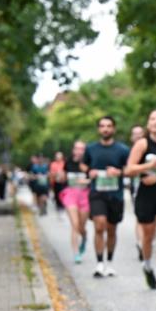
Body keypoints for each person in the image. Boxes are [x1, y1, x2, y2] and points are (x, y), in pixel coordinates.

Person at [125, 110, 156, 290]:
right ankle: (147, 266)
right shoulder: (141, 144)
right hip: (145, 193)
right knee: (148, 235)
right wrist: (150, 165)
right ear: (148, 124)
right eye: (152, 119)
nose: (155, 122)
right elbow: (129, 170)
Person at [81, 116, 131, 278]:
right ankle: (99, 263)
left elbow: (129, 169)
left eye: (109, 126)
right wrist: (90, 172)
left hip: (115, 195)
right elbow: (83, 165)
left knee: (111, 229)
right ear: (98, 129)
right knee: (99, 226)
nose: (105, 129)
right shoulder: (91, 149)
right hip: (97, 193)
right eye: (102, 126)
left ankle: (109, 262)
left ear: (114, 129)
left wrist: (119, 172)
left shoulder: (123, 150)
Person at [58, 140, 91, 264]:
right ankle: (76, 253)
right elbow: (62, 178)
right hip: (70, 194)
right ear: (73, 150)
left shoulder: (89, 163)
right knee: (75, 224)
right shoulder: (68, 162)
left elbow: (94, 178)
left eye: (82, 149)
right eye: (77, 148)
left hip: (85, 196)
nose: (79, 151)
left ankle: (84, 236)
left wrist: (87, 181)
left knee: (81, 226)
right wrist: (60, 176)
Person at [129, 124, 147, 260]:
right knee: (140, 217)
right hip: (137, 187)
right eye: (135, 134)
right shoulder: (130, 152)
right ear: (131, 137)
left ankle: (146, 241)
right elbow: (127, 170)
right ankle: (140, 243)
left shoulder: (148, 149)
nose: (138, 136)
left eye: (140, 133)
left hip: (154, 187)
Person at [50, 150, 67, 218]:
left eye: (59, 156)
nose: (58, 157)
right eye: (57, 156)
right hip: (56, 181)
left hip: (63, 181)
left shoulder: (64, 163)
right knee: (57, 194)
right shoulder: (53, 164)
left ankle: (63, 205)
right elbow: (51, 173)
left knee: (63, 193)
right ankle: (58, 206)